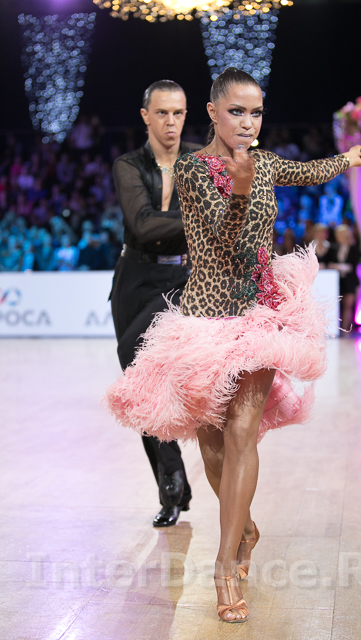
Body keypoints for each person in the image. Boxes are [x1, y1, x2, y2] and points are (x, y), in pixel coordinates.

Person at [105, 67, 361, 622]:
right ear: (212, 112)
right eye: (237, 112)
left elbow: (305, 171)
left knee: (242, 432)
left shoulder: (265, 162)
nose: (248, 123)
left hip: (259, 313)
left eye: (256, 113)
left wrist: (346, 160)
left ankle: (225, 564)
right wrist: (243, 190)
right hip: (203, 320)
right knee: (212, 448)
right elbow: (226, 239)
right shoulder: (194, 169)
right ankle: (244, 526)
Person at [110, 80, 200, 528]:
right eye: (162, 113)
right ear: (146, 116)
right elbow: (142, 226)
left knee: (152, 375)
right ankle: (172, 480)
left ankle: (172, 479)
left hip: (181, 280)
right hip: (134, 280)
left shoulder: (202, 161)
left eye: (178, 113)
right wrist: (202, 217)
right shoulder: (127, 165)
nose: (171, 122)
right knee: (139, 386)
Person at [327, 224, 361, 332]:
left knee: (348, 305)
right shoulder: (334, 248)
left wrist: (338, 266)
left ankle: (345, 329)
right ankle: (337, 329)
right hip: (337, 281)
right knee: (338, 306)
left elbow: (352, 266)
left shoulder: (354, 249)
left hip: (350, 281)